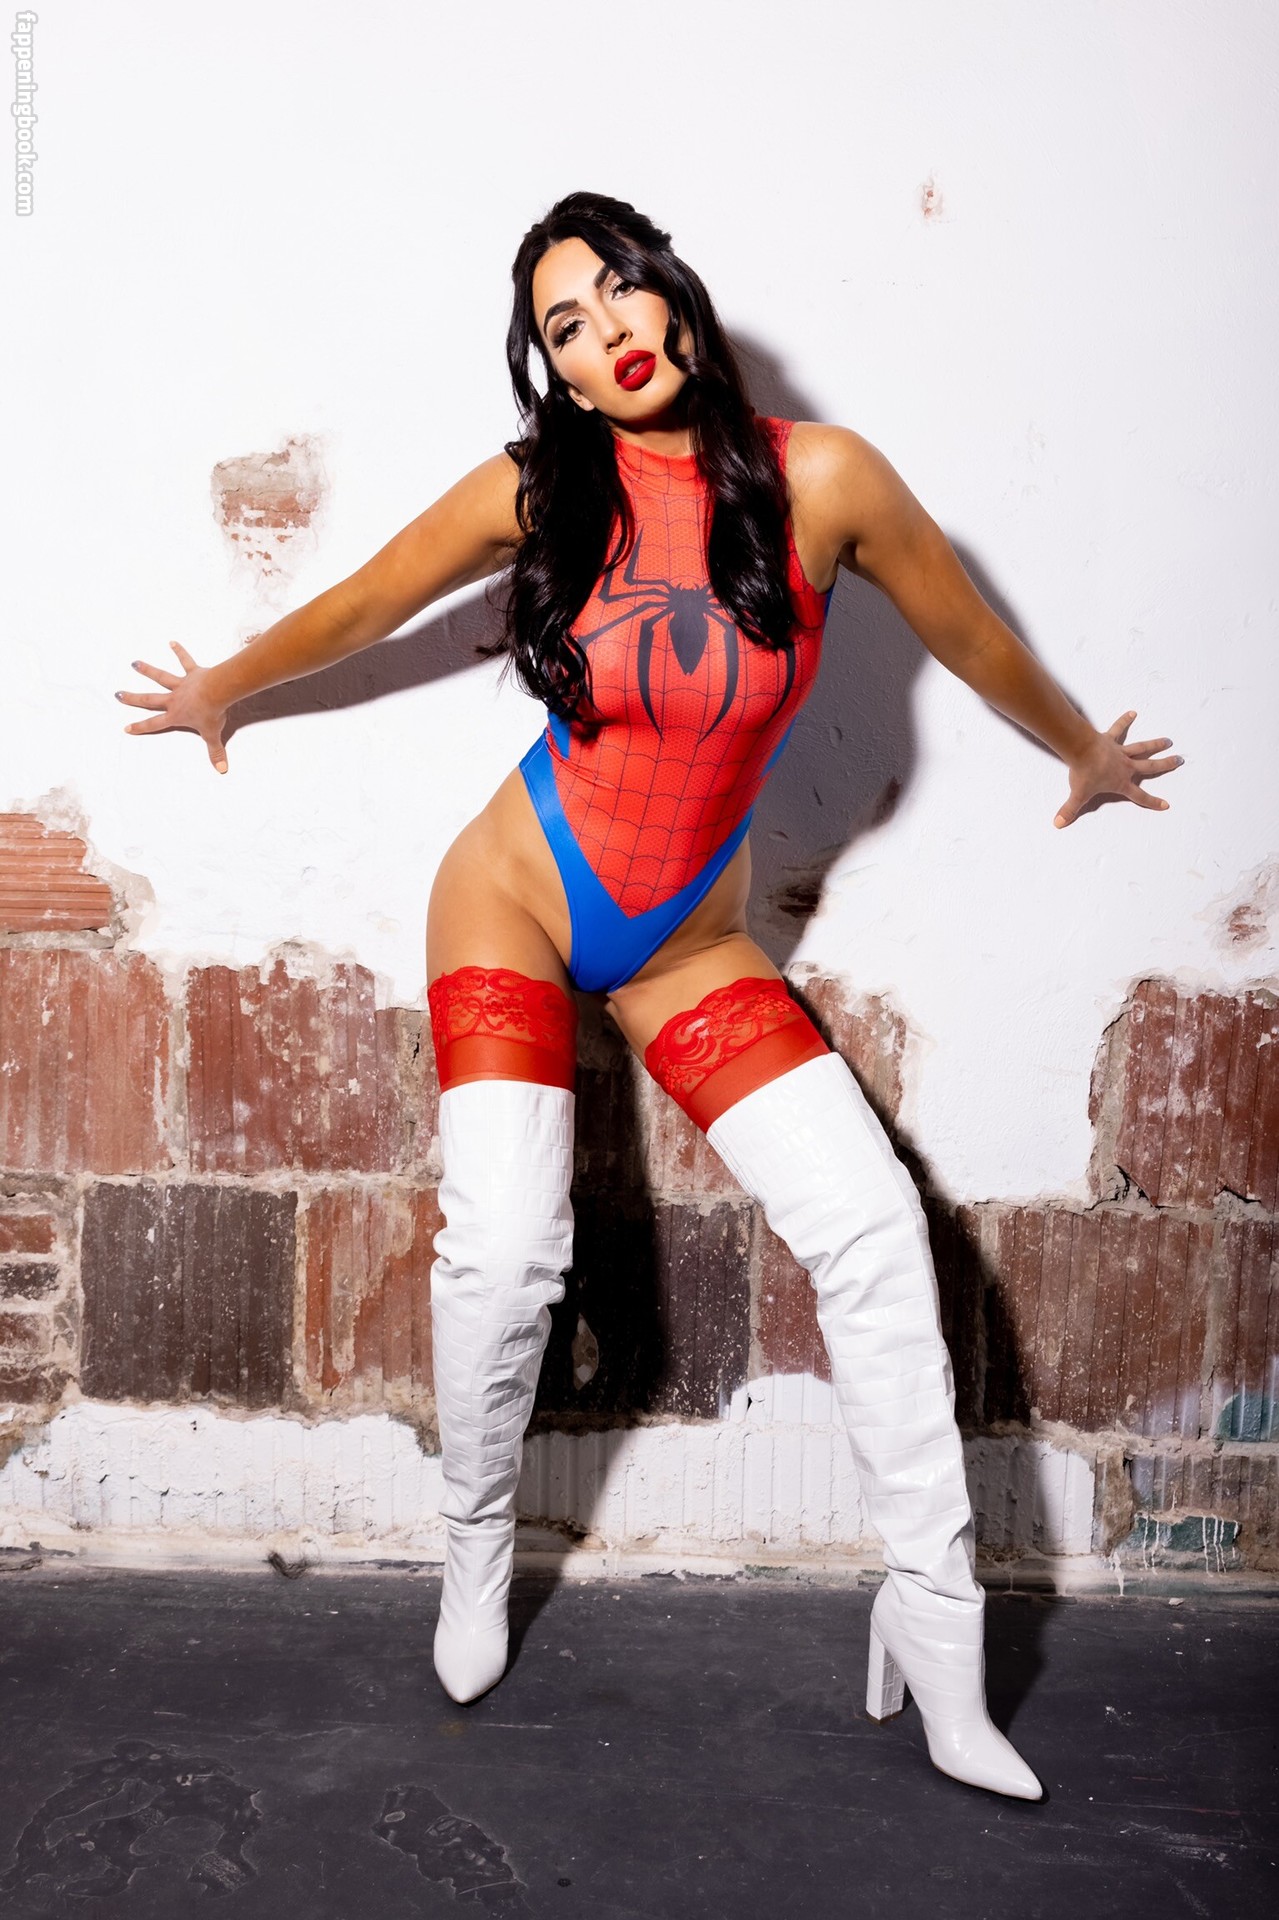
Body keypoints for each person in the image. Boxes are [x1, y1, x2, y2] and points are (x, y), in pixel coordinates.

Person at [117, 190, 1180, 1800]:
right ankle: (476, 1548)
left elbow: (970, 634)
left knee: (875, 1233)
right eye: (565, 324)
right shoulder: (543, 489)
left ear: (671, 290)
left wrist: (1084, 747)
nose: (606, 331)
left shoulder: (826, 481)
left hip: (686, 940)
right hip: (518, 896)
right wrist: (224, 687)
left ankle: (935, 1624)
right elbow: (374, 599)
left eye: (617, 289)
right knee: (506, 1255)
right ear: (549, 367)